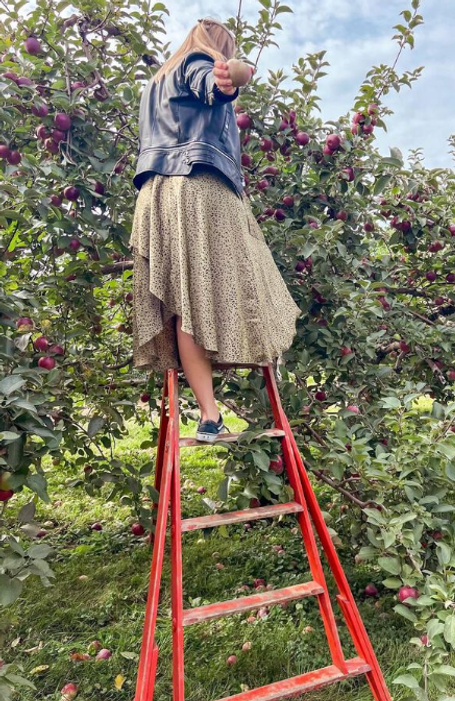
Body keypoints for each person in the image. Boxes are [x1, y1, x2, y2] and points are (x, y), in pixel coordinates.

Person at [129, 18, 301, 442]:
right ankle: (246, 362)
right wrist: (233, 73)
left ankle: (210, 415)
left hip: (156, 195)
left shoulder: (155, 83)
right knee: (250, 282)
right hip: (198, 187)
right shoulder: (197, 61)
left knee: (187, 302)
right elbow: (218, 81)